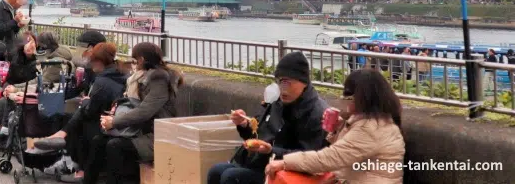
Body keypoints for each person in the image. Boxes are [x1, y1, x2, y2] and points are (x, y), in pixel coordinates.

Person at [209, 51, 329, 184]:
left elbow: (310, 156)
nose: (282, 88)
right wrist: (244, 124)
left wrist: (272, 150)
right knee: (216, 171)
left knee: (231, 177)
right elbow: (257, 134)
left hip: (288, 172)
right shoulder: (278, 103)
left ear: (303, 82)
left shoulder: (316, 113)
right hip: (262, 163)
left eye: (287, 82)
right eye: (279, 82)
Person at [267, 69, 405, 184]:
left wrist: (285, 162)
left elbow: (330, 158)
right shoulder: (375, 121)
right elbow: (348, 152)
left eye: (348, 96)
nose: (345, 101)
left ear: (362, 98)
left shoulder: (370, 128)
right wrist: (339, 128)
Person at [85, 42, 180, 184]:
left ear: (141, 59)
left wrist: (114, 122)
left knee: (115, 146)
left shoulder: (159, 80)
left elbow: (144, 111)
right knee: (98, 141)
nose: (133, 64)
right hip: (139, 129)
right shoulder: (140, 78)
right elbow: (131, 104)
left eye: (134, 60)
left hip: (156, 135)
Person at [36, 42, 127, 180]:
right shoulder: (119, 74)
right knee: (75, 115)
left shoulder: (102, 81)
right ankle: (64, 146)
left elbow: (90, 111)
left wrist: (86, 102)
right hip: (112, 117)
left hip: (106, 122)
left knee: (78, 120)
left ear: (99, 61)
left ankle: (77, 166)